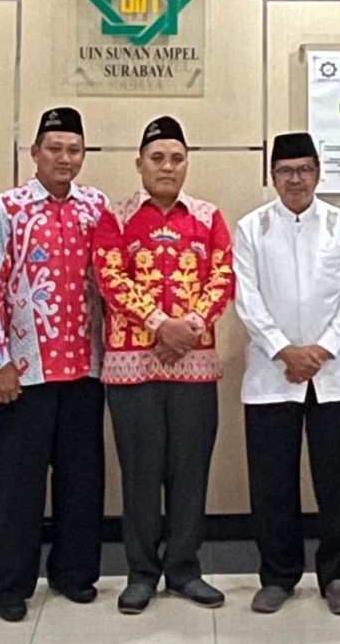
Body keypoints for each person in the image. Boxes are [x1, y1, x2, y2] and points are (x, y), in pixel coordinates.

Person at [95, 115, 236, 613]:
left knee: (189, 472)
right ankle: (140, 572)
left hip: (193, 364)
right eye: (157, 158)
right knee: (140, 473)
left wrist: (189, 326)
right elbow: (110, 278)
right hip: (133, 367)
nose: (167, 167)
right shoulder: (114, 217)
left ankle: (184, 569)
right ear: (139, 163)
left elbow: (223, 276)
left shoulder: (207, 217)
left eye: (177, 158)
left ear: (187, 164)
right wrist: (160, 325)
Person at [0, 107, 111, 623]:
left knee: (82, 481)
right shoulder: (7, 208)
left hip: (85, 368)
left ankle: (74, 573)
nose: (64, 158)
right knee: (18, 485)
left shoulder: (96, 207)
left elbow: (110, 282)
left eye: (74, 150)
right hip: (24, 372)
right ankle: (10, 584)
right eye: (54, 149)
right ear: (34, 153)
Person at [232, 133, 340, 616]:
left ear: (318, 173)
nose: (296, 179)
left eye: (305, 169)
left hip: (336, 375)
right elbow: (246, 298)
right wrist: (284, 350)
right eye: (286, 171)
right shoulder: (251, 228)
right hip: (272, 375)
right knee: (272, 483)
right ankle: (278, 575)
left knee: (339, 484)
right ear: (273, 176)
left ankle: (338, 577)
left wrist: (322, 349)